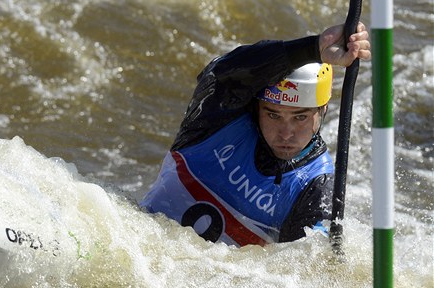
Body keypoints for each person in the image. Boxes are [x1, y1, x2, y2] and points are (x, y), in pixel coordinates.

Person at [140, 23, 371, 247]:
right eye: (273, 115)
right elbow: (226, 69)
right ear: (256, 107)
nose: (286, 134)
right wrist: (314, 47)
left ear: (323, 111)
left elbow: (299, 274)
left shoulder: (314, 186)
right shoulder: (216, 118)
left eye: (300, 117)